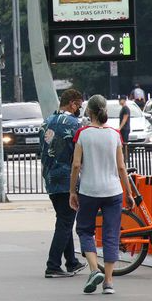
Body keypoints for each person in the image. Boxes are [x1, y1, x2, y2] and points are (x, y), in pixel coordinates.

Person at [71, 94, 135, 295]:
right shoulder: (115, 134)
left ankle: (93, 270)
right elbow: (122, 167)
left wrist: (72, 190)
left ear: (89, 111)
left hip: (89, 190)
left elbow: (75, 165)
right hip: (113, 191)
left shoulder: (83, 134)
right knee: (111, 234)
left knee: (84, 230)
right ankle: (108, 282)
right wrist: (129, 193)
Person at [40, 89, 87, 278]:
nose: (80, 110)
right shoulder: (76, 125)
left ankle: (72, 262)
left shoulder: (46, 122)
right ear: (73, 104)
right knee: (65, 223)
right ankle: (52, 265)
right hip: (68, 180)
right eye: (79, 106)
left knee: (63, 220)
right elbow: (80, 155)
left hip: (50, 179)